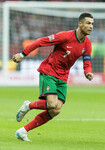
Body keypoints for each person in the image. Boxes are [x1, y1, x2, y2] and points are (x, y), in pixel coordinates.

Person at [12, 13, 94, 141]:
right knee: (51, 104)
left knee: (56, 110)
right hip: (49, 71)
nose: (91, 26)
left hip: (63, 77)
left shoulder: (87, 44)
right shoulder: (65, 36)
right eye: (88, 23)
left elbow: (87, 60)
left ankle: (23, 131)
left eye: (92, 24)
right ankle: (28, 106)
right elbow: (40, 42)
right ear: (80, 24)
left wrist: (88, 71)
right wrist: (22, 54)